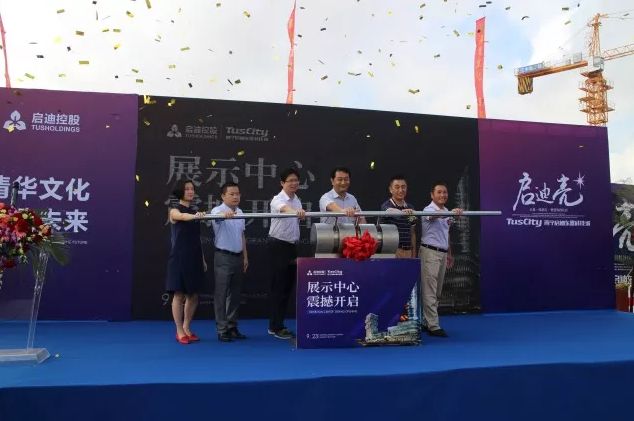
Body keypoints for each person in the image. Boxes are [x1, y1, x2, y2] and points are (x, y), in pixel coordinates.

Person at [166, 180, 207, 345]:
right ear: (180, 192)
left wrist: (202, 259)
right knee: (179, 294)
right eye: (187, 189)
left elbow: (197, 239)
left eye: (192, 189)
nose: (190, 191)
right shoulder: (174, 210)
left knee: (193, 295)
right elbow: (182, 217)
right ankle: (179, 330)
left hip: (194, 257)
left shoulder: (195, 213)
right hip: (179, 258)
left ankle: (187, 327)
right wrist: (195, 216)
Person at [267, 168, 306, 340]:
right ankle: (275, 326)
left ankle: (279, 324)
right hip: (278, 245)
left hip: (292, 246)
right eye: (290, 180)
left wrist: (298, 212)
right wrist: (296, 212)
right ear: (282, 183)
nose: (294, 183)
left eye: (296, 180)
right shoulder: (277, 199)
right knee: (279, 287)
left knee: (287, 287)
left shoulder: (297, 199)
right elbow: (284, 209)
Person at [420, 181, 463, 337]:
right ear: (432, 195)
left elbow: (446, 234)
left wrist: (449, 253)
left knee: (437, 291)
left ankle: (426, 321)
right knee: (429, 290)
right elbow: (433, 216)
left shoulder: (446, 211)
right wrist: (451, 213)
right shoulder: (428, 209)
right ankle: (433, 325)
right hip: (430, 253)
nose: (442, 195)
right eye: (439, 192)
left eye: (445, 192)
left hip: (442, 253)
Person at [210, 182, 248, 342]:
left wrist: (245, 256)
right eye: (231, 194)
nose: (235, 197)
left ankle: (232, 326)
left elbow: (242, 235)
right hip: (223, 257)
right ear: (223, 196)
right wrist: (223, 215)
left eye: (237, 194)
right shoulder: (217, 211)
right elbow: (217, 218)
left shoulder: (240, 212)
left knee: (235, 294)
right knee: (221, 294)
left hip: (238, 257)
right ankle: (222, 329)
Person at [379, 175, 418, 258]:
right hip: (391, 251)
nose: (401, 190)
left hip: (408, 251)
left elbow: (412, 232)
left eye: (403, 187)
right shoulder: (386, 205)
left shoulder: (410, 208)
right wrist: (403, 212)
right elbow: (389, 211)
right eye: (397, 187)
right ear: (390, 189)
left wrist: (413, 253)